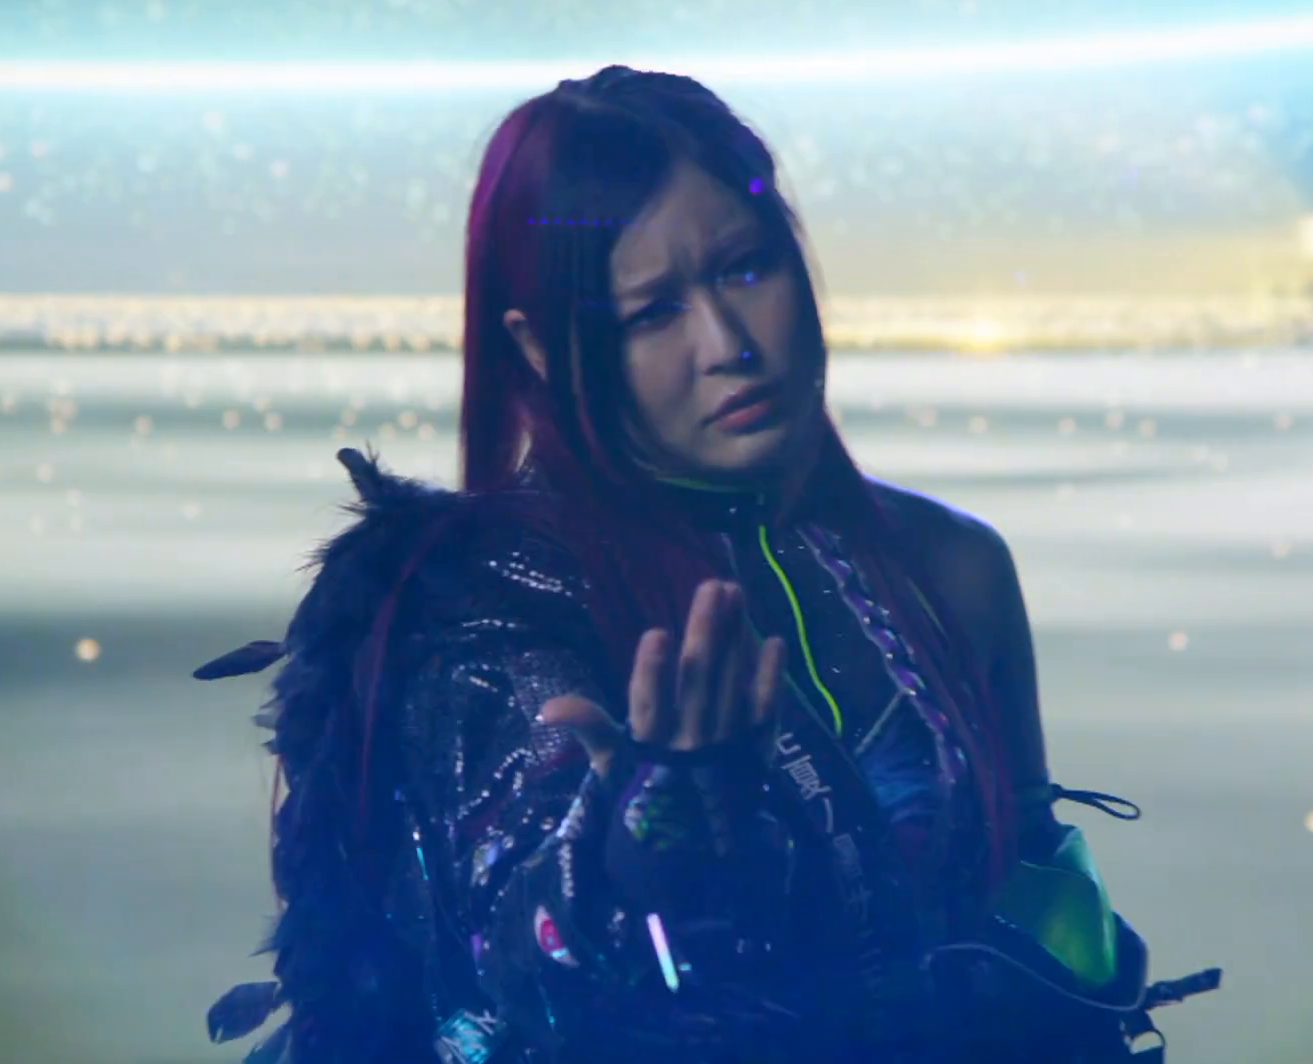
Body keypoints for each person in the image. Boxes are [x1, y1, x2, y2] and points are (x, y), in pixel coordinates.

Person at [198, 64, 1213, 1064]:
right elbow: (501, 983)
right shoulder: (471, 604)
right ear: (538, 347)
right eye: (652, 313)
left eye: (745, 268)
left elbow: (1051, 936)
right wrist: (643, 852)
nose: (727, 342)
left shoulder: (953, 568)